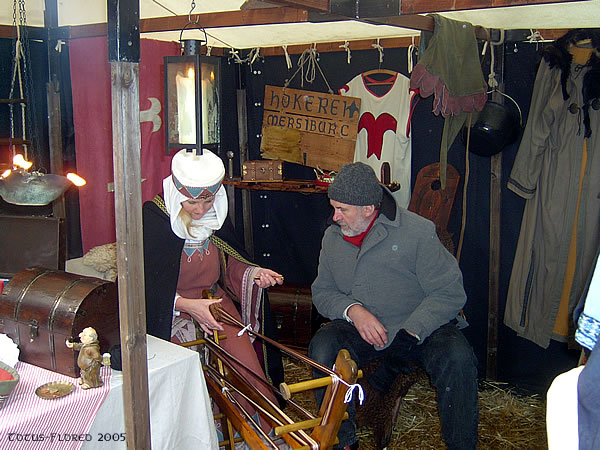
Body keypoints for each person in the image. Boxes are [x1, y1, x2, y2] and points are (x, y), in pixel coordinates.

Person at [309, 162, 479, 450]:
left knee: (458, 358)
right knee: (324, 346)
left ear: (368, 208)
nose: (334, 217)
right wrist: (354, 311)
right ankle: (342, 442)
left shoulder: (417, 232)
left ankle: (462, 446)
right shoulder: (333, 238)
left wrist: (412, 332)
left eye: (342, 209)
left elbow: (449, 292)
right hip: (362, 328)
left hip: (419, 328)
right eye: (334, 208)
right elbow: (322, 292)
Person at [142, 148, 284, 437]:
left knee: (249, 372)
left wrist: (254, 273)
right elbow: (145, 285)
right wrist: (185, 305)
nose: (201, 210)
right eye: (192, 201)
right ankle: (202, 435)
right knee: (187, 378)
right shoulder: (154, 219)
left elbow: (230, 262)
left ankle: (258, 436)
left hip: (216, 304)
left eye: (208, 200)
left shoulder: (216, 217)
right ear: (177, 193)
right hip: (172, 313)